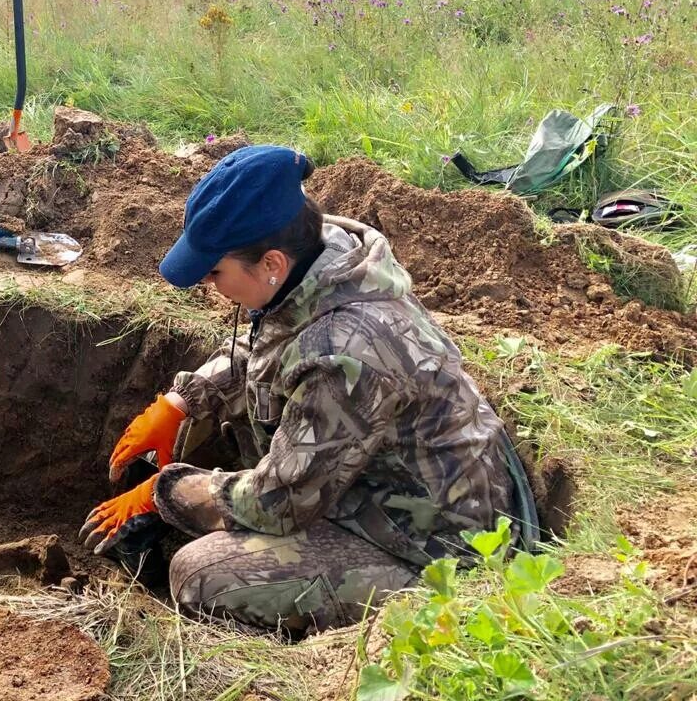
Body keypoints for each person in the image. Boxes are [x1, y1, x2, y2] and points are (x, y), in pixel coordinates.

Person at [80, 145, 536, 632]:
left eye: (216, 272)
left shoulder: (345, 351)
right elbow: (273, 352)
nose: (210, 286)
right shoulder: (319, 257)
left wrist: (168, 492)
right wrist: (183, 400)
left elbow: (281, 502)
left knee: (201, 576)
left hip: (431, 545)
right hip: (376, 482)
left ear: (271, 262)